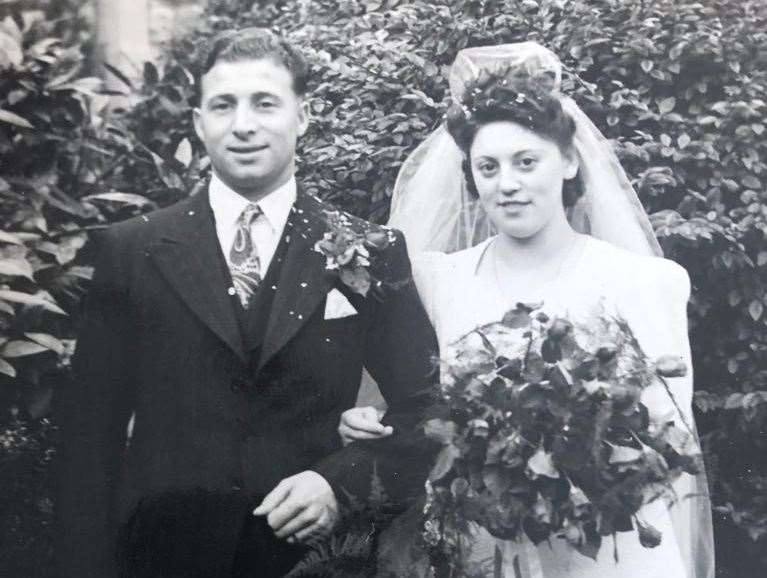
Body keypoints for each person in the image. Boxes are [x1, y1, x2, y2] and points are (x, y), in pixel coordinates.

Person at [55, 27, 438, 578]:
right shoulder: (131, 250)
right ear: (198, 123)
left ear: (302, 116)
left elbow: (426, 408)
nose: (243, 125)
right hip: (160, 558)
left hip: (310, 561)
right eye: (223, 105)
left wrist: (340, 481)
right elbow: (88, 440)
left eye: (265, 103)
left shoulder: (372, 250)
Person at [339, 43, 714, 578]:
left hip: (607, 552)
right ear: (471, 175)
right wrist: (367, 422)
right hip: (478, 545)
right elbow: (413, 409)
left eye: (526, 161)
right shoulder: (438, 282)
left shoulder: (643, 282)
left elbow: (666, 443)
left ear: (567, 161)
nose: (507, 183)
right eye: (487, 167)